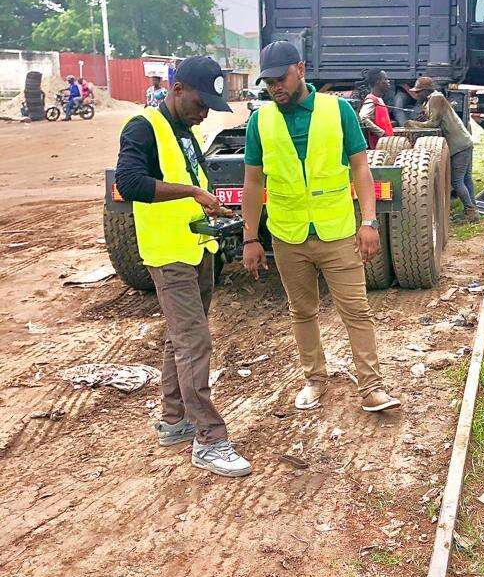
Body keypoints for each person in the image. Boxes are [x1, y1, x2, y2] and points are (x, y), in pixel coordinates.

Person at [241, 41, 401, 414]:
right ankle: (314, 378)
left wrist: (368, 221)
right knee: (302, 311)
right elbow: (252, 182)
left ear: (300, 69)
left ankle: (372, 387)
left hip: (337, 231)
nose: (275, 87)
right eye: (268, 82)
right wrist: (250, 237)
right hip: (288, 234)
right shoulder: (260, 121)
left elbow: (361, 167)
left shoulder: (338, 110)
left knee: (356, 310)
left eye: (281, 78)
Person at [114, 56, 252, 478]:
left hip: (197, 246)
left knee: (182, 340)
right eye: (200, 101)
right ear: (176, 89)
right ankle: (210, 440)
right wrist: (192, 191)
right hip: (168, 254)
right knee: (195, 341)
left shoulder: (187, 133)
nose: (205, 111)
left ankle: (175, 420)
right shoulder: (143, 127)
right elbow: (129, 182)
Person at [406, 76, 479, 222]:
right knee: (466, 178)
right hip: (464, 142)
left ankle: (470, 212)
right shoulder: (431, 100)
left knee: (457, 181)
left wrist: (413, 123)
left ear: (425, 91)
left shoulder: (436, 98)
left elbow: (433, 124)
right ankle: (473, 210)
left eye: (418, 92)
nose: (416, 94)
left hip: (459, 145)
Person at [358, 69, 395, 148]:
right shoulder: (371, 100)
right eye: (385, 79)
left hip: (385, 143)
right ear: (378, 82)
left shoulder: (379, 99)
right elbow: (363, 117)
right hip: (379, 145)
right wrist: (381, 133)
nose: (388, 81)